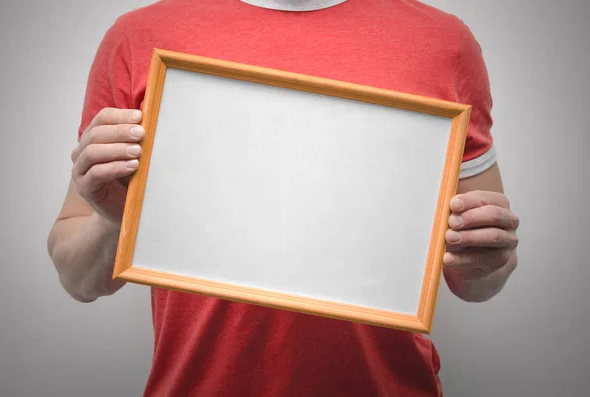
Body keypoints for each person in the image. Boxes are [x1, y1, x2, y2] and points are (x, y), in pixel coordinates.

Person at [47, 0, 520, 396]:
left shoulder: (443, 43)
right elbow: (78, 278)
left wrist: (487, 257)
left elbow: (476, 280)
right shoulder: (138, 36)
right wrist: (114, 221)